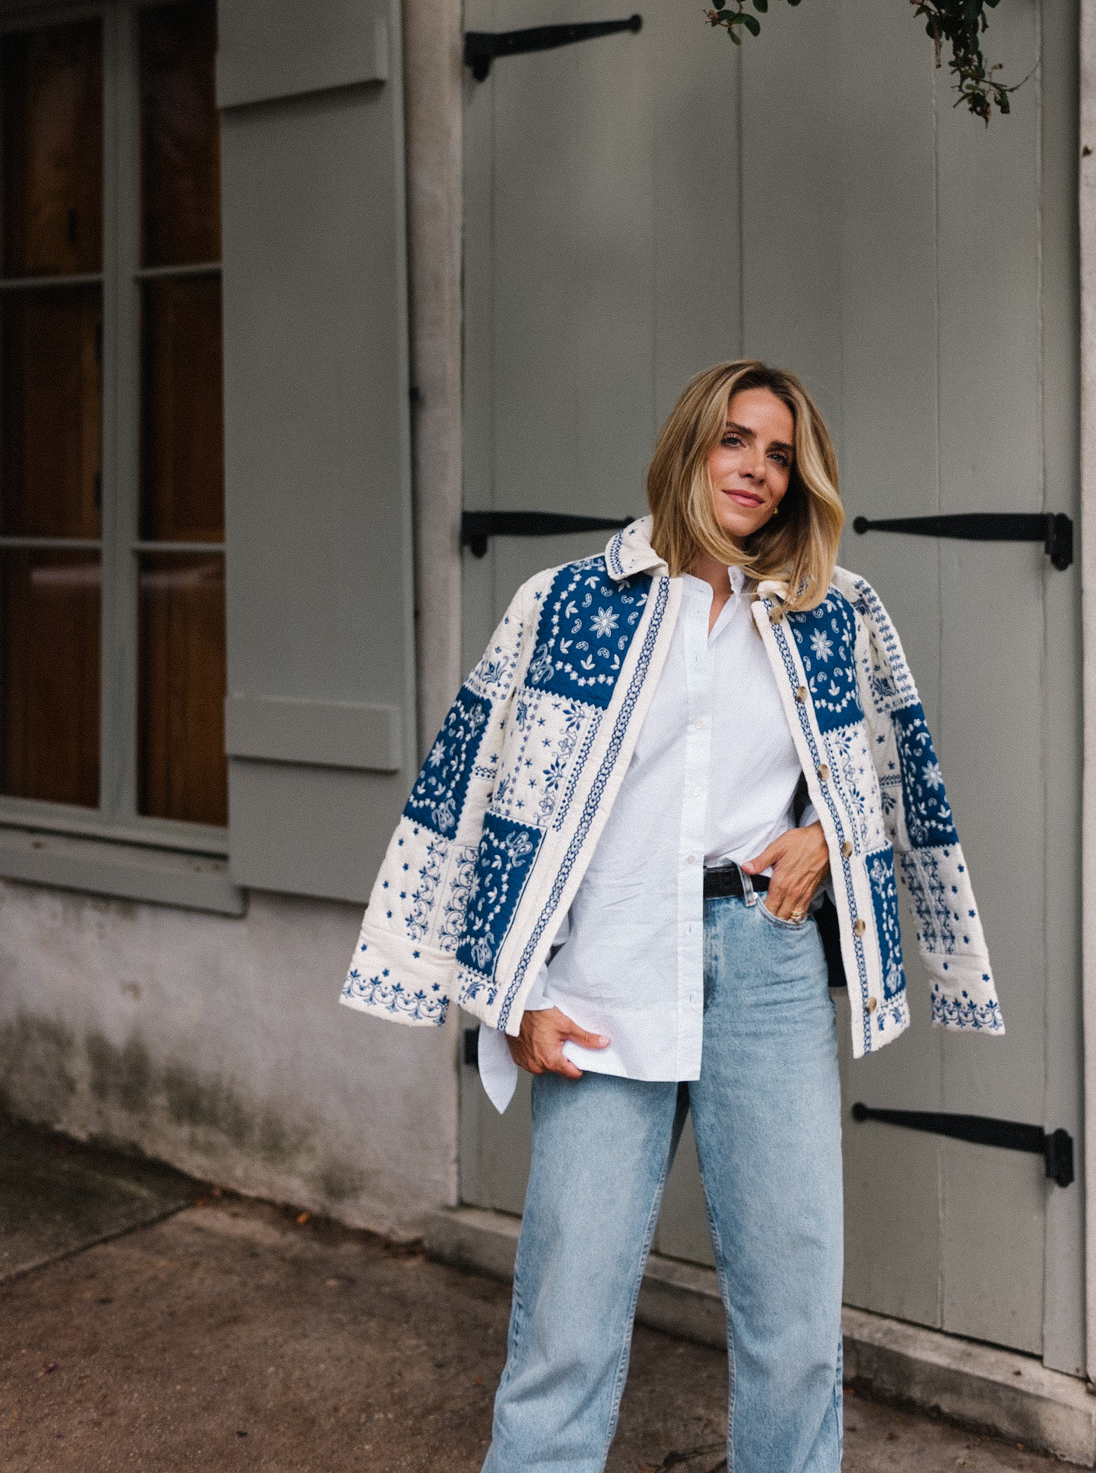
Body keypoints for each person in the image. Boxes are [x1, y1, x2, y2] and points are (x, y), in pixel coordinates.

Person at [342, 359, 1004, 1473]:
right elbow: (481, 795)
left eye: (781, 453)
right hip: (605, 971)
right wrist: (515, 994)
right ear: (688, 446)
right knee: (567, 1314)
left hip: (768, 966)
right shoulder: (562, 603)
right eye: (734, 441)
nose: (757, 468)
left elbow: (894, 787)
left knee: (793, 1323)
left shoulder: (832, 613)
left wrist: (831, 843)